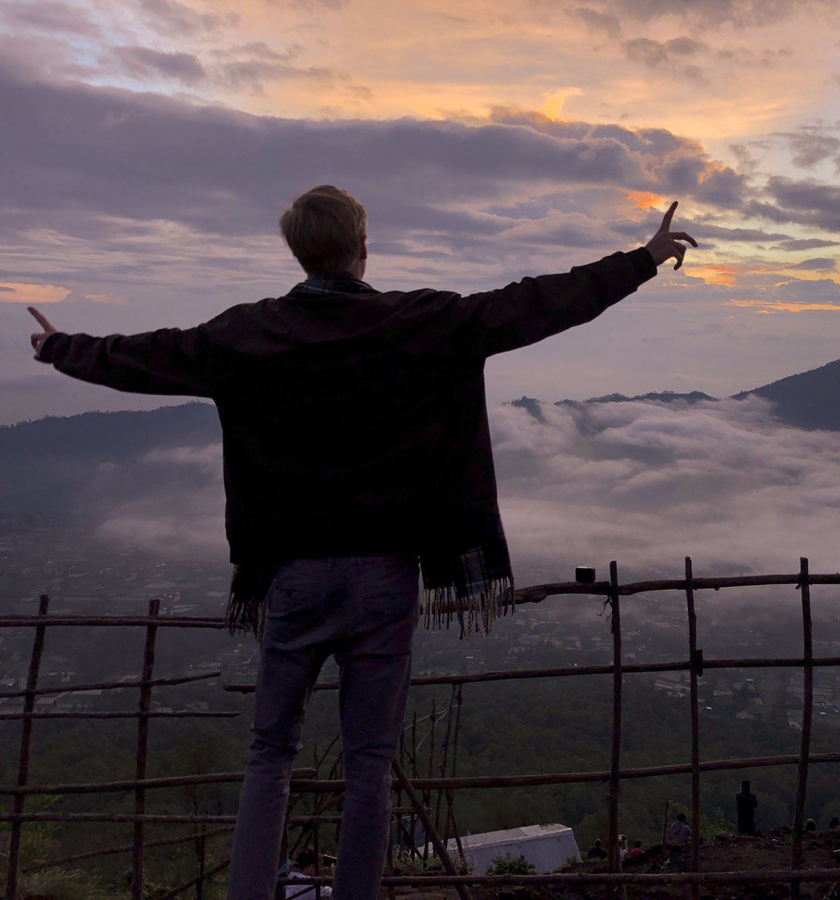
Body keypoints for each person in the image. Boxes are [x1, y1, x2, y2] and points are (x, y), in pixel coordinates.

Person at [27, 186, 696, 900]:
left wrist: (59, 347)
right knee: (370, 764)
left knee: (269, 755)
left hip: (289, 579)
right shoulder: (421, 322)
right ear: (362, 246)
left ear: (296, 250)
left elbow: (144, 357)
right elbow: (532, 303)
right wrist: (644, 258)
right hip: (385, 579)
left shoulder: (246, 334)